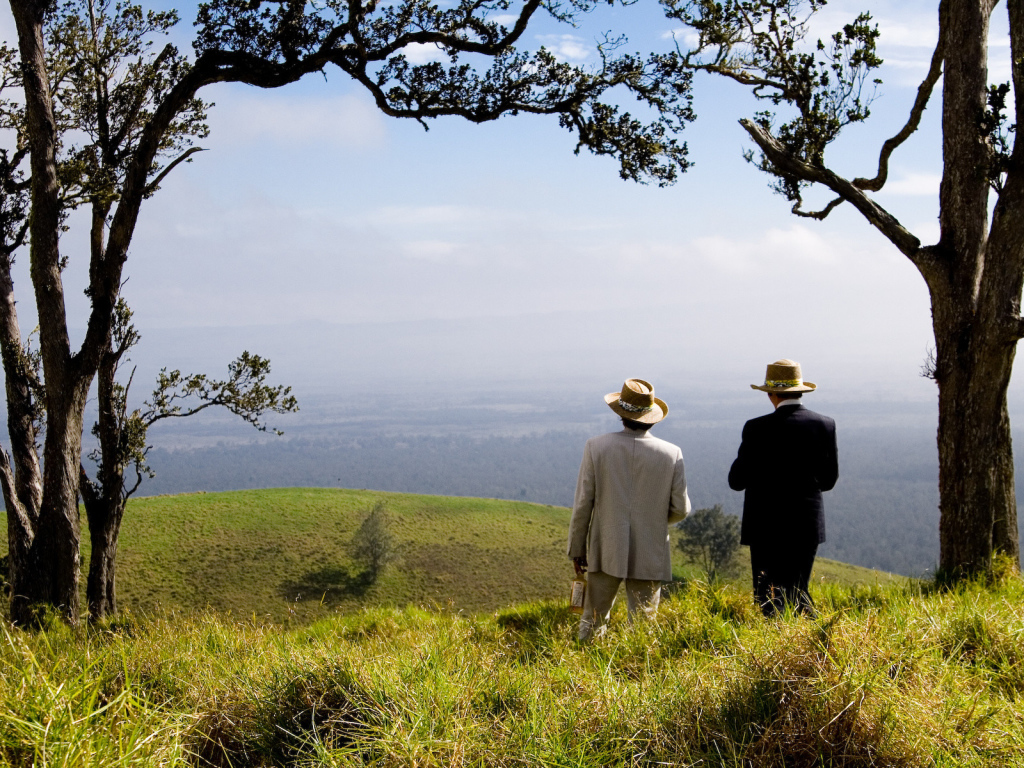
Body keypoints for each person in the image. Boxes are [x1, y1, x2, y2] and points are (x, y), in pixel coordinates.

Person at [567, 378, 691, 641]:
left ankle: (586, 675)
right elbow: (681, 508)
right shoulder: (672, 453)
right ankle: (639, 675)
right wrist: (654, 521)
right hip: (650, 547)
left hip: (605, 546)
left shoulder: (596, 447)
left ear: (619, 414)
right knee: (644, 625)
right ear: (652, 417)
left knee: (593, 619)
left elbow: (582, 505)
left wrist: (577, 549)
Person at [728, 359, 838, 617]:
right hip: (806, 521)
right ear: (800, 390)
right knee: (799, 589)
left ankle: (780, 644)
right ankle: (811, 642)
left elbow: (736, 481)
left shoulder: (755, 428)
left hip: (765, 523)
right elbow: (829, 480)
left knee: (769, 594)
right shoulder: (825, 425)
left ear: (770, 394)